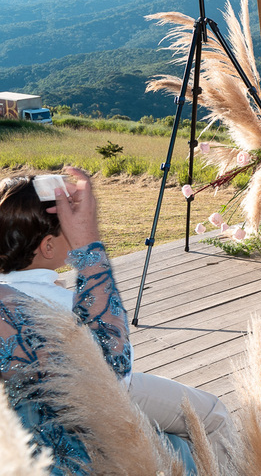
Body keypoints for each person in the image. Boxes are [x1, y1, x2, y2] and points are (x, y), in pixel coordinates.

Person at [0, 168, 234, 474]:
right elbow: (115, 370)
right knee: (211, 414)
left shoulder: (13, 292)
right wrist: (88, 244)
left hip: (27, 417)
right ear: (47, 246)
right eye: (66, 226)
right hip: (95, 399)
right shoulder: (51, 305)